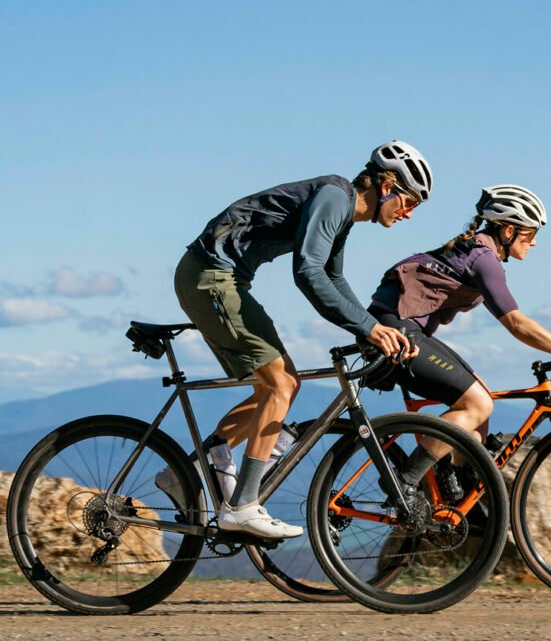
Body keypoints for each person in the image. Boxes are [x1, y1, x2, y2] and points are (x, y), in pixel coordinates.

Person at [159, 140, 432, 540]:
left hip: (214, 277)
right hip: (212, 277)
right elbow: (308, 272)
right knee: (282, 384)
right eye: (409, 202)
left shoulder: (341, 211)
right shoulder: (335, 198)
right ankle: (242, 506)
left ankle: (186, 471)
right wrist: (369, 329)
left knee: (275, 388)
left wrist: (370, 326)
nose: (408, 214)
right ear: (386, 184)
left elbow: (334, 279)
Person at [365, 184, 551, 502]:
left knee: (480, 395)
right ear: (508, 230)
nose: (534, 243)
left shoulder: (476, 250)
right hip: (396, 333)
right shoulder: (484, 258)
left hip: (402, 330)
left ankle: (464, 497)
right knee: (477, 403)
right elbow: (517, 324)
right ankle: (404, 483)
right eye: (529, 235)